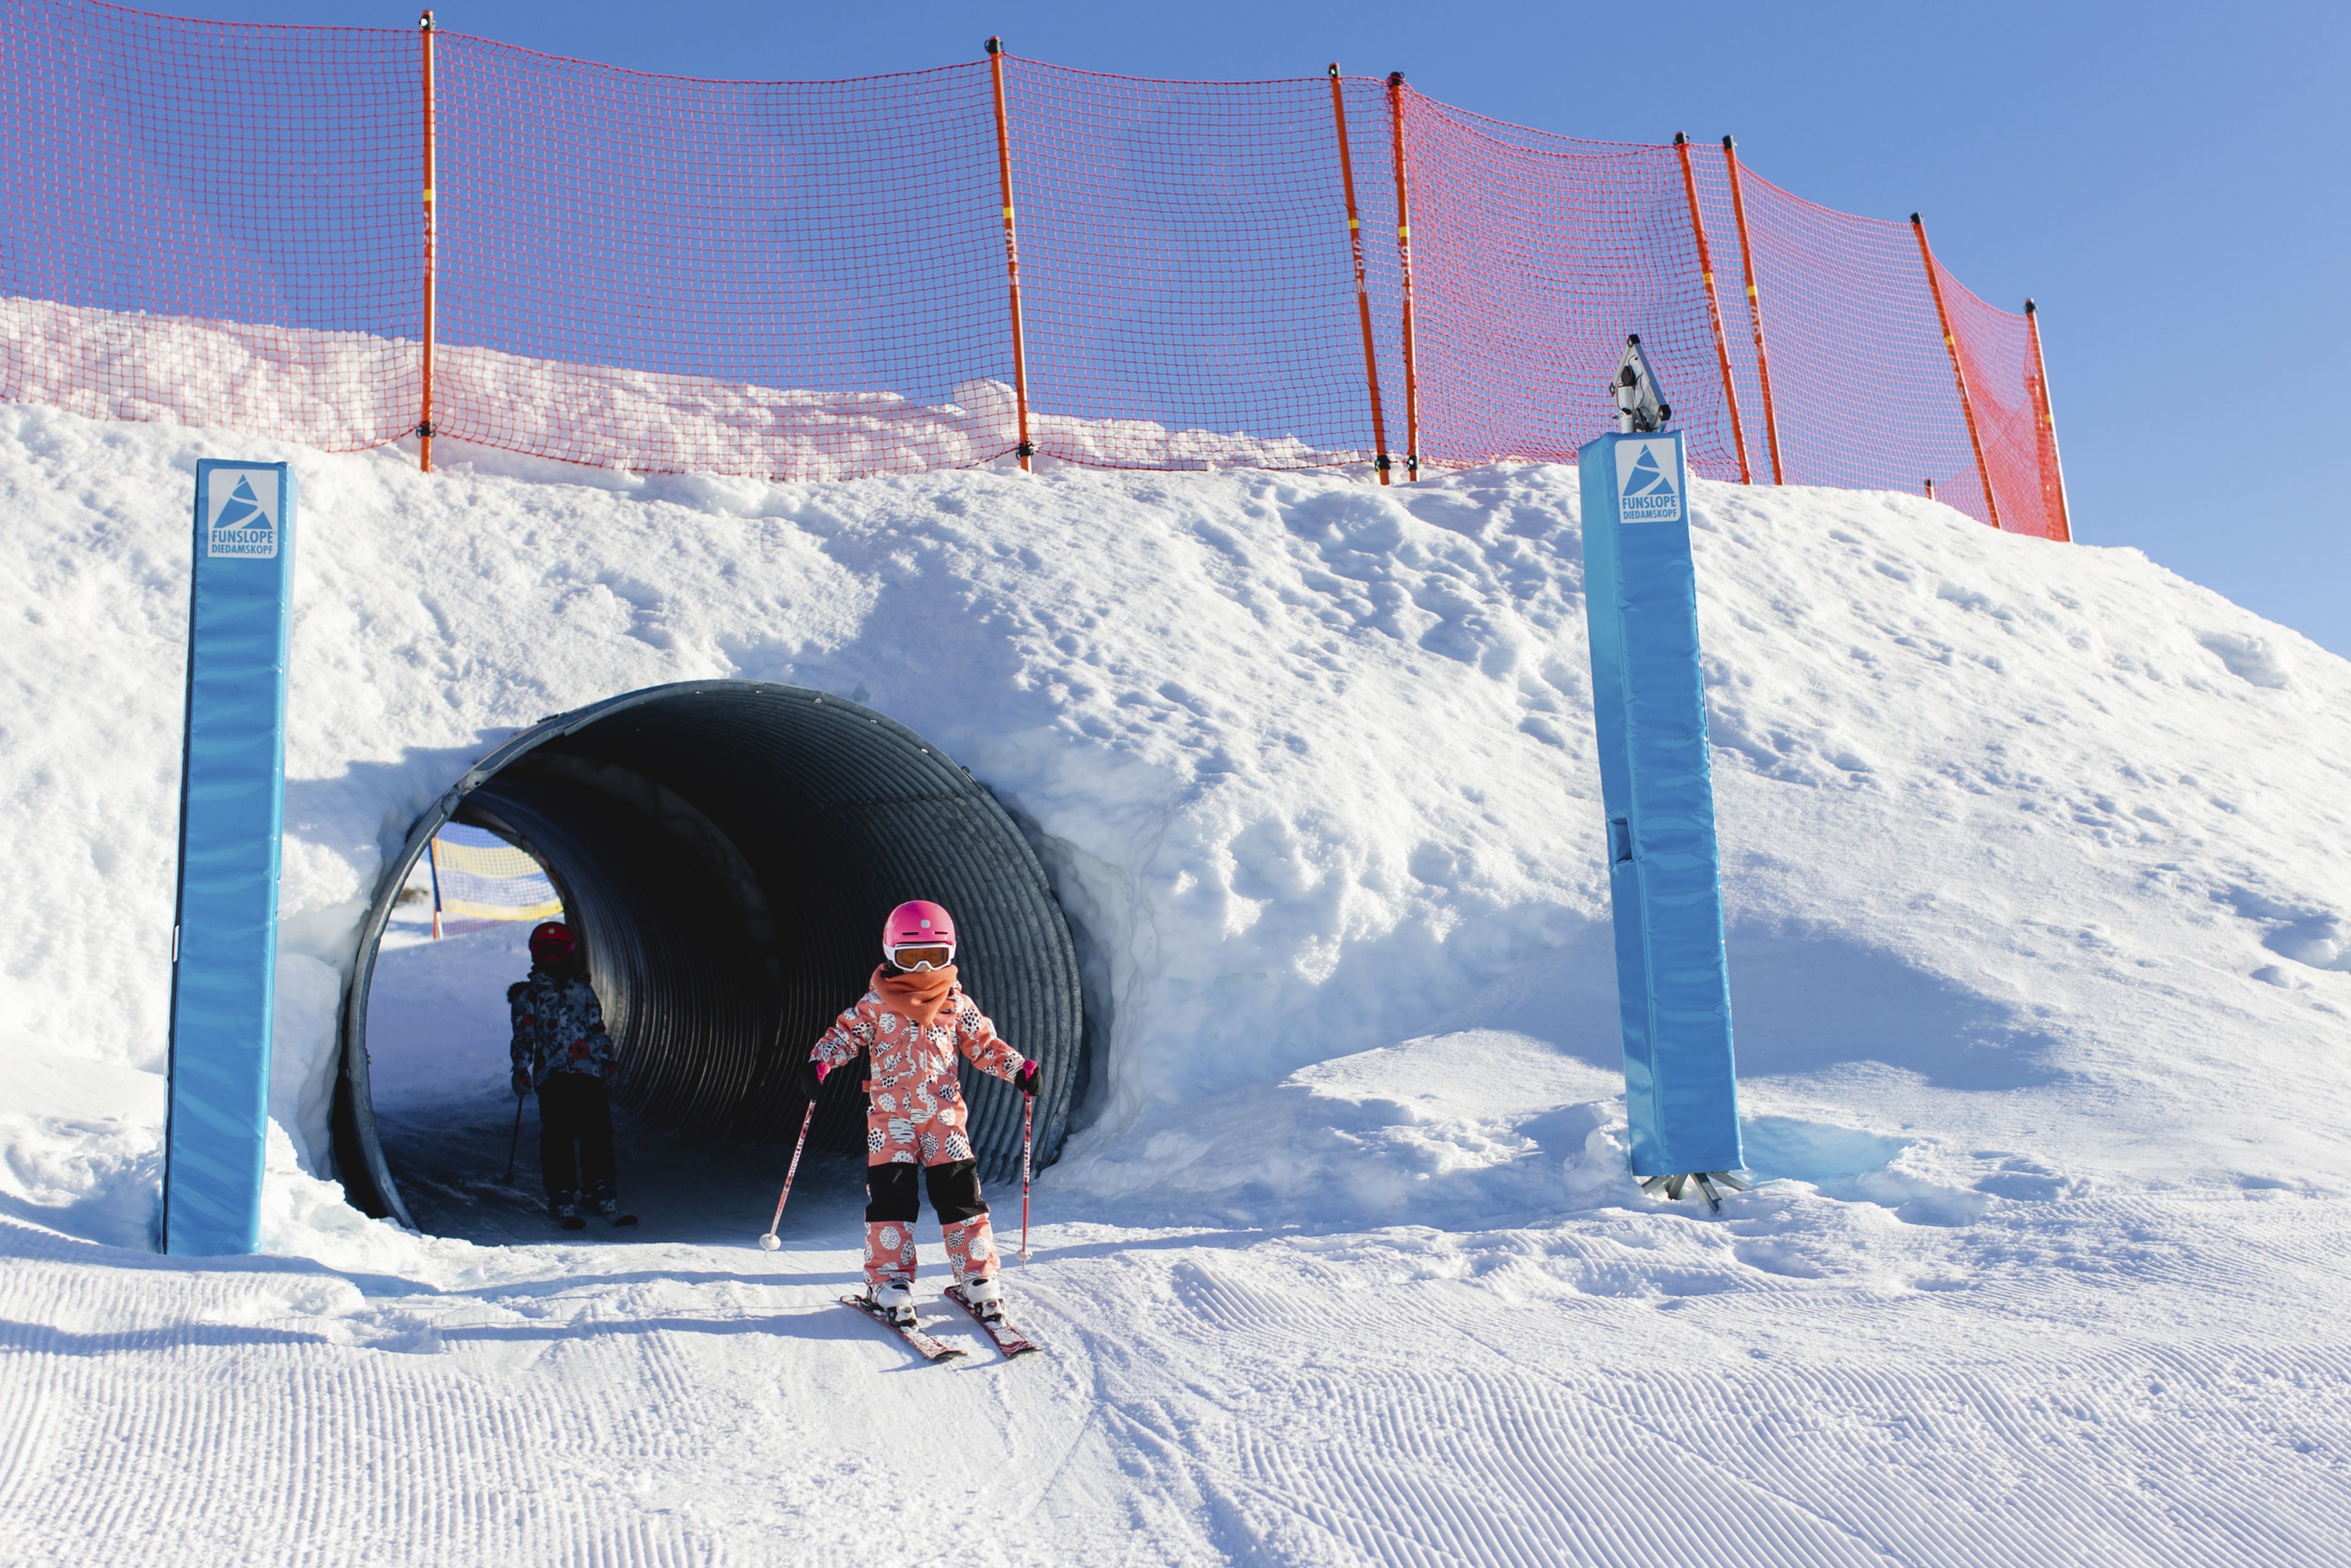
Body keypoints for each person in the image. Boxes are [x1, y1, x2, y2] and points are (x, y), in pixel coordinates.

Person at [801, 899, 1039, 1326]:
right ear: (891, 953)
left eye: (935, 956)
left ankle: (978, 1277)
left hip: (944, 1119)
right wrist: (821, 1061)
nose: (925, 967)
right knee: (892, 1198)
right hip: (890, 1121)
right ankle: (890, 1282)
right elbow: (845, 1034)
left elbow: (983, 1045)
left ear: (951, 953)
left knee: (961, 1196)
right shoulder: (876, 1003)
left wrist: (1018, 1069)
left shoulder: (955, 1003)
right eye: (913, 958)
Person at [509, 920, 634, 1229]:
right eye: (546, 953)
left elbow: (597, 1028)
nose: (553, 960)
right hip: (553, 1075)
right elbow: (524, 1036)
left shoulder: (582, 990)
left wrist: (607, 1059)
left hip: (588, 1071)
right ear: (535, 955)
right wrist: (521, 1069)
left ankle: (599, 1186)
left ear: (570, 953)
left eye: (559, 952)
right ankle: (561, 1190)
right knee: (558, 1132)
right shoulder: (530, 996)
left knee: (596, 1129)